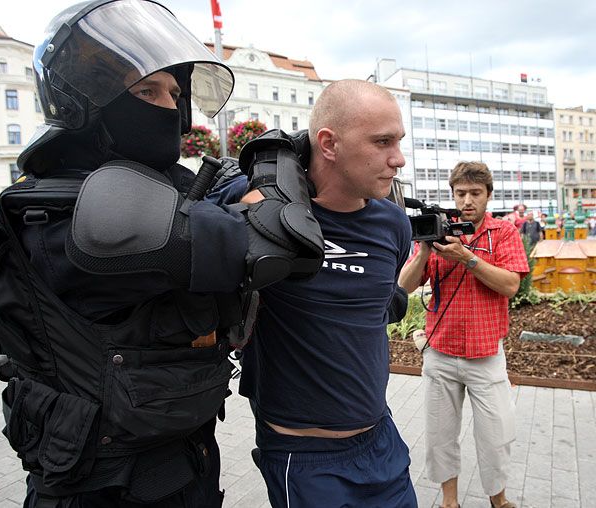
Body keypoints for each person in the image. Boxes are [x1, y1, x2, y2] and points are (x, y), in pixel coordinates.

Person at [0, 1, 323, 507]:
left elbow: (209, 198)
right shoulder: (72, 212)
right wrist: (272, 160)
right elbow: (280, 247)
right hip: (109, 482)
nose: (170, 108)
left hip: (173, 453)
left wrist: (240, 184)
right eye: (146, 91)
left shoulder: (150, 188)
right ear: (84, 100)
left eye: (174, 93)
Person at [217, 80, 417, 507]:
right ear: (328, 143)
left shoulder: (393, 225)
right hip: (306, 460)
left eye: (398, 142)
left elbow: (378, 306)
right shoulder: (260, 215)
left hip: (382, 443)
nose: (397, 159)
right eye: (382, 142)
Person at [398, 161, 529, 508]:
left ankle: (498, 500)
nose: (467, 200)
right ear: (452, 195)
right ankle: (449, 501)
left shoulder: (503, 233)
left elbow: (510, 285)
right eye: (460, 193)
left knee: (496, 436)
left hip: (486, 354)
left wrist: (467, 257)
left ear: (488, 195)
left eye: (475, 193)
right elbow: (404, 286)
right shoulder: (440, 233)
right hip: (440, 352)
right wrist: (426, 248)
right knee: (440, 437)